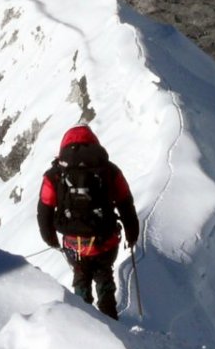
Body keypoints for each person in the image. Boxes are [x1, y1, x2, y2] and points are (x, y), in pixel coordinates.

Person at [37, 124, 139, 319]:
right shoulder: (108, 170)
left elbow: (44, 209)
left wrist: (50, 238)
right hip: (105, 241)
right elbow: (125, 202)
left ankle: (84, 324)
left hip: (74, 244)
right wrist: (132, 233)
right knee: (104, 276)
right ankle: (110, 318)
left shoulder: (55, 174)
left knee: (81, 279)